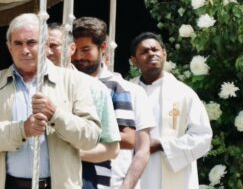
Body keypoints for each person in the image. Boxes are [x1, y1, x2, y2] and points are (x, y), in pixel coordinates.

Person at [0, 13, 101, 189]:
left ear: (46, 45)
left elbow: (91, 137)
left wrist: (56, 115)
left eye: (31, 42)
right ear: (9, 47)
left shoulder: (72, 81)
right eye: (18, 43)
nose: (25, 50)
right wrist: (22, 129)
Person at [130, 32, 212, 189]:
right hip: (136, 173)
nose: (151, 54)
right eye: (144, 52)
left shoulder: (184, 93)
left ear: (164, 54)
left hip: (175, 174)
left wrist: (162, 145)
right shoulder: (127, 92)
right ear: (134, 60)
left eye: (155, 49)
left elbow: (203, 136)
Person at [72, 17, 141, 189]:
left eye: (86, 49)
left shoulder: (114, 87)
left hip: (97, 179)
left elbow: (128, 138)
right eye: (74, 49)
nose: (78, 56)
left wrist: (76, 141)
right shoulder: (63, 82)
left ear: (102, 48)